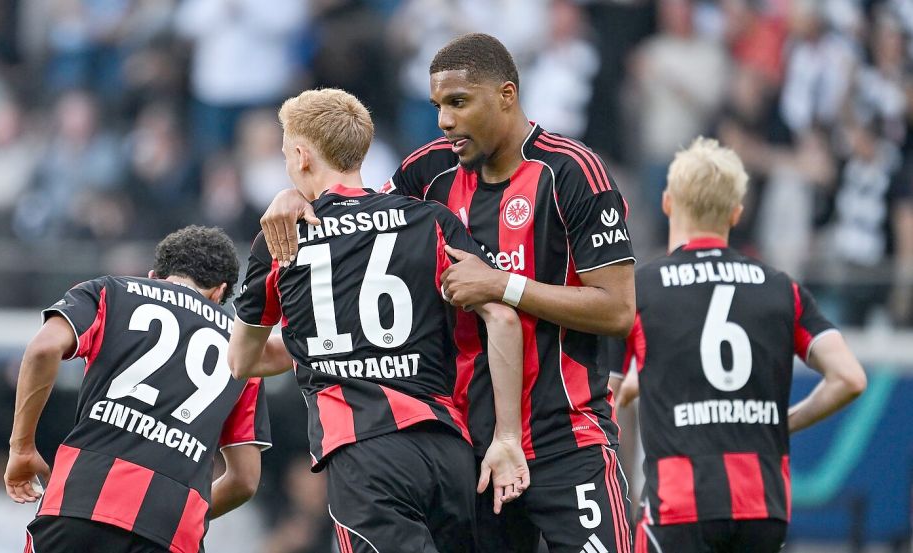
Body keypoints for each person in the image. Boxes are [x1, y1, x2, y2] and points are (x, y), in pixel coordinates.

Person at [260, 33, 636, 553]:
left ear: (506, 95)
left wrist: (504, 284)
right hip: (470, 448)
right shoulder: (427, 171)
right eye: (437, 105)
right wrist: (294, 192)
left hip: (567, 437)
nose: (444, 121)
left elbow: (617, 309)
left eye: (458, 103)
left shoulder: (572, 171)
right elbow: (353, 217)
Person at [228, 87, 529, 553]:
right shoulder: (432, 220)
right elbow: (503, 320)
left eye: (287, 154)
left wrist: (321, 345)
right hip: (447, 449)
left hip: (364, 452)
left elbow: (243, 360)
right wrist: (507, 438)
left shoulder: (282, 238)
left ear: (303, 156)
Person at [605, 137, 867, 552]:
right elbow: (849, 378)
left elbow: (607, 400)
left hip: (678, 505)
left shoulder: (642, 291)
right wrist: (785, 422)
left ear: (668, 202)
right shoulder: (783, 288)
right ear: (737, 213)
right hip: (762, 504)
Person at [5, 225, 272, 553]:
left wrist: (22, 448)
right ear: (220, 292)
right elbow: (244, 480)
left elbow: (42, 349)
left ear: (153, 276)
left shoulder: (111, 291)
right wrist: (176, 513)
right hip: (171, 531)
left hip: (79, 503)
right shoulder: (242, 348)